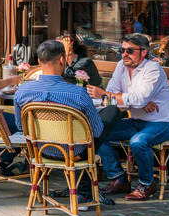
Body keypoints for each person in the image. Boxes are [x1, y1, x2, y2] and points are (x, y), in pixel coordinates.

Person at [15, 40, 122, 203]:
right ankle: (83, 191)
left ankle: (83, 191)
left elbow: (20, 126)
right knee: (111, 112)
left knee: (85, 139)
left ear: (38, 61)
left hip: (40, 151)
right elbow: (96, 131)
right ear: (61, 60)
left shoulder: (22, 91)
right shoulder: (77, 93)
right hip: (75, 153)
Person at [86, 33, 169, 201]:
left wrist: (108, 94)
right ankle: (119, 178)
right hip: (138, 121)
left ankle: (147, 184)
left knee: (138, 141)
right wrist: (135, 102)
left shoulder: (152, 69)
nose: (124, 54)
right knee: (97, 131)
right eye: (122, 50)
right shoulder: (121, 67)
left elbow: (121, 97)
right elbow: (117, 101)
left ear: (143, 52)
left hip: (165, 123)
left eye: (130, 50)